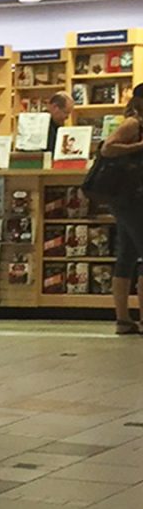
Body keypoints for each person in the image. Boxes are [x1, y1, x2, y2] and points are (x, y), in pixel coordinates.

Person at [98, 85, 143, 333]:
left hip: (130, 198)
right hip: (131, 198)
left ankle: (123, 320)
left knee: (126, 255)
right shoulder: (133, 124)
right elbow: (107, 148)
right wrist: (138, 146)